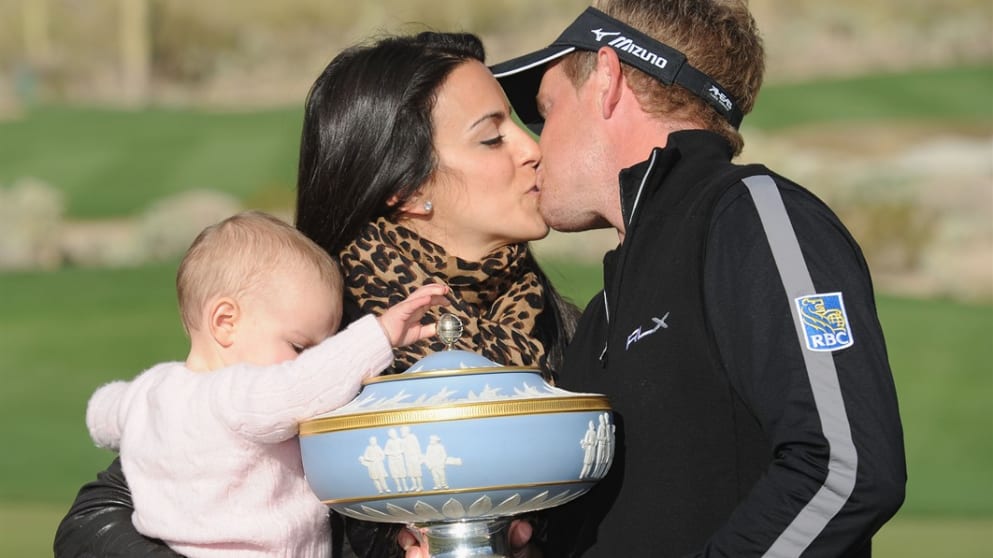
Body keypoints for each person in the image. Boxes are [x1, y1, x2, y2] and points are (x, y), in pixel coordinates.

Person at [54, 31, 579, 558]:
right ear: (408, 188)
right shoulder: (312, 339)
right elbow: (92, 524)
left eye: (518, 126)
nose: (533, 148)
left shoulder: (579, 330)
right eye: (492, 137)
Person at [436, 1, 903, 556]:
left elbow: (845, 467)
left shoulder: (750, 215)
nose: (535, 147)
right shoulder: (607, 308)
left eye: (545, 110)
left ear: (607, 79)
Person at [82, 210, 448, 557]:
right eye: (301, 346)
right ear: (225, 321)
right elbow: (303, 386)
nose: (310, 360)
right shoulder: (238, 394)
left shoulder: (148, 391)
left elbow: (101, 413)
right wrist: (379, 335)